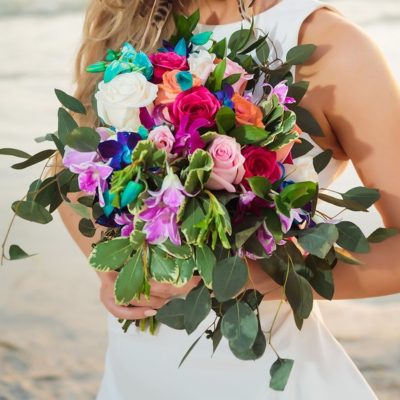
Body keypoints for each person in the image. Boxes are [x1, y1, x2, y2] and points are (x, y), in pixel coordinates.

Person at [58, 0, 400, 398]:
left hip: (266, 381)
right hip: (134, 376)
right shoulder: (135, 20)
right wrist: (113, 270)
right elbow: (69, 178)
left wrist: (261, 276)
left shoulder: (331, 48)